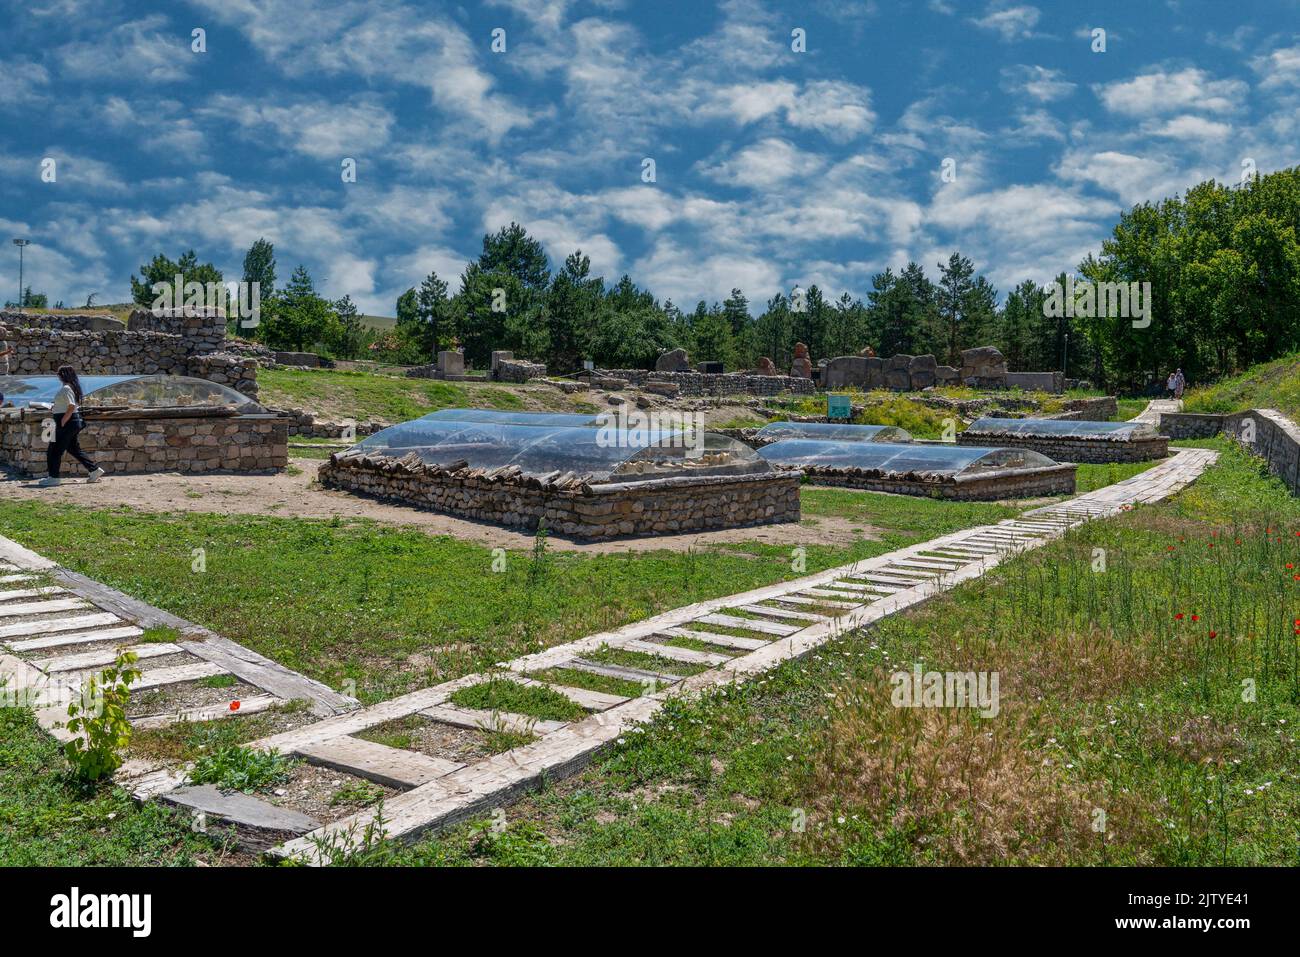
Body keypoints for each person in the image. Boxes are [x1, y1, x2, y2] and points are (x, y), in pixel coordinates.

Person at [39, 365, 105, 487]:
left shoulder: (66, 388)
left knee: (53, 450)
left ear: (63, 375)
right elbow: (68, 405)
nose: (57, 376)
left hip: (66, 422)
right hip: (70, 422)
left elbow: (71, 406)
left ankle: (53, 478)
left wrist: (63, 421)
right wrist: (55, 408)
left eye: (59, 374)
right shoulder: (70, 388)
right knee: (73, 449)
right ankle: (94, 470)